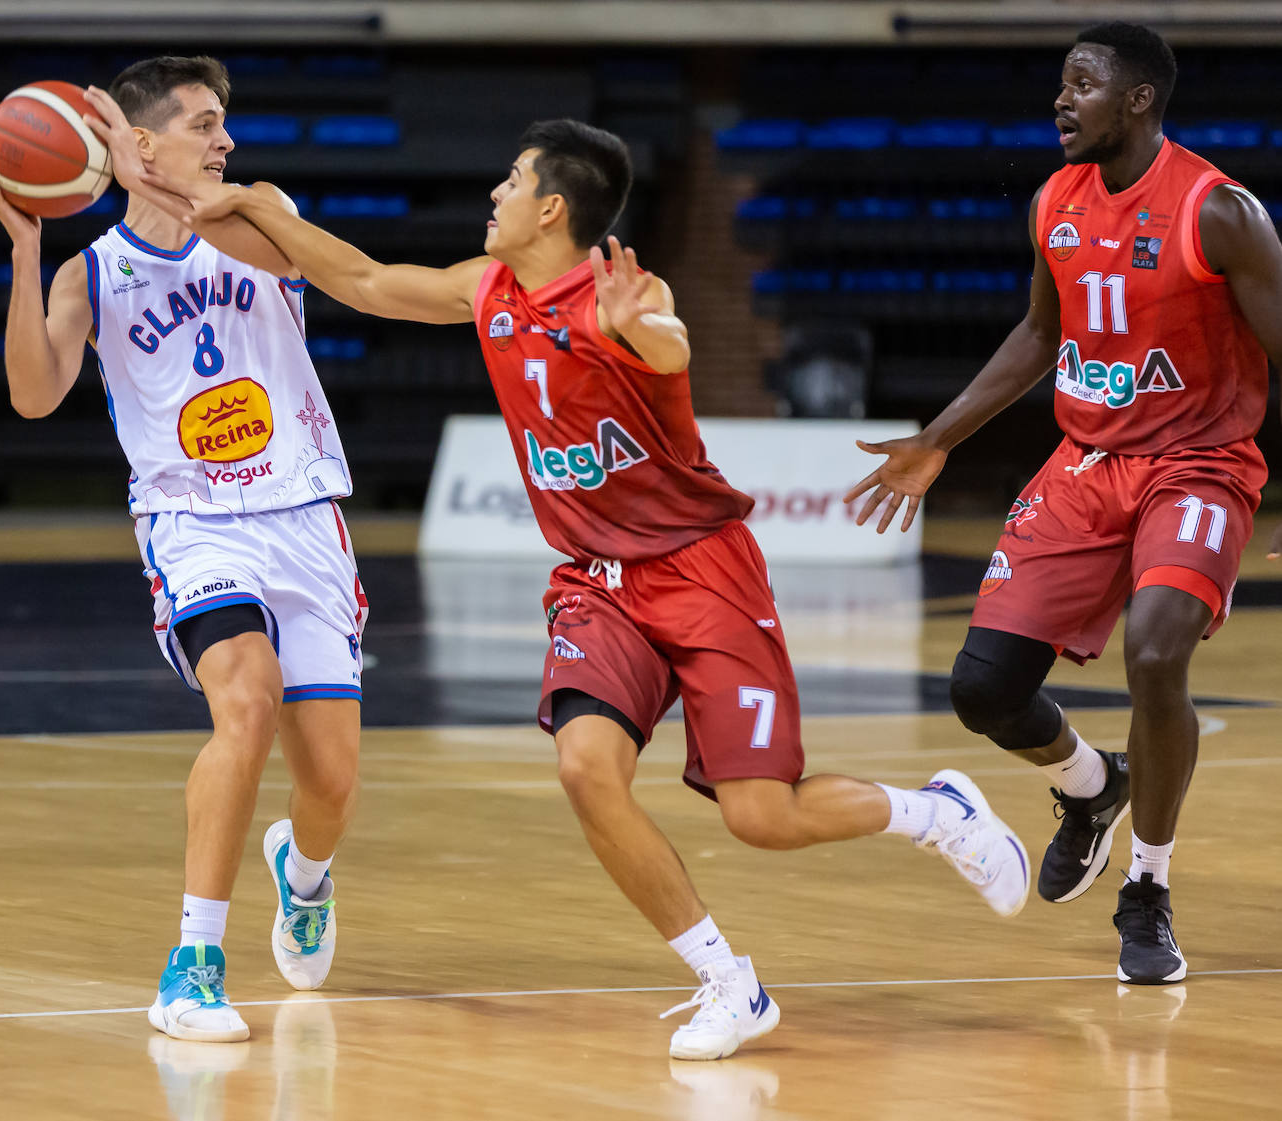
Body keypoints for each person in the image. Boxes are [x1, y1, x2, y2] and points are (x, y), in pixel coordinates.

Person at [95, 110, 1031, 1061]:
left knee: (762, 815)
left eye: (509, 179)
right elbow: (365, 280)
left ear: (551, 208)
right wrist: (243, 200)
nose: (492, 194)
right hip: (596, 581)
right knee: (586, 767)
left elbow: (669, 344)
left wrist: (645, 330)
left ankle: (934, 811)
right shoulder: (489, 289)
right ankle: (726, 981)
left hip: (701, 571)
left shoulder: (628, 295)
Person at [846, 22, 1282, 985]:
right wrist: (939, 437)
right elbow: (1040, 334)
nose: (1060, 101)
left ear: (1138, 100)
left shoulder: (1222, 213)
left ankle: (1149, 888)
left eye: (1081, 85)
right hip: (1088, 461)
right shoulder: (1055, 200)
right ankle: (1092, 787)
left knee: (1155, 651)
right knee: (982, 689)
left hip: (1199, 464)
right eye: (1060, 84)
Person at [0, 56, 369, 1042]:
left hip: (303, 512)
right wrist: (26, 250)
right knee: (245, 697)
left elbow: (303, 262)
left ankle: (305, 868)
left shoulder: (255, 213)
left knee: (330, 782)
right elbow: (32, 393)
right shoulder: (92, 273)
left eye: (223, 123)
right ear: (138, 139)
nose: (224, 139)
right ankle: (192, 961)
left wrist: (166, 178)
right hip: (192, 522)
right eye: (202, 123)